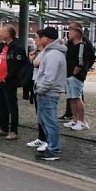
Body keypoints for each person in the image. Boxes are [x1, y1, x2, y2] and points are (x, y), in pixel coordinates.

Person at [32, 27, 68, 161]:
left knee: (50, 121)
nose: (39, 39)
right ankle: (51, 147)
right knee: (46, 120)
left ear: (46, 38)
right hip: (47, 92)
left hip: (48, 93)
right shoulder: (52, 52)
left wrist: (40, 89)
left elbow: (49, 77)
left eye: (41, 37)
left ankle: (53, 150)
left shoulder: (53, 54)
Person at [0, 25, 27, 140]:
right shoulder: (5, 46)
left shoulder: (17, 47)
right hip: (0, 80)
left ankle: (14, 130)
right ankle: (3, 127)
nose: (1, 33)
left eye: (3, 31)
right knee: (2, 105)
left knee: (11, 106)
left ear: (9, 34)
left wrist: (8, 77)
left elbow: (17, 65)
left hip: (9, 81)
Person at [65, 24, 95, 131]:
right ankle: (75, 119)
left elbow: (80, 62)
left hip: (76, 76)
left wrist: (74, 73)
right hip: (69, 75)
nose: (69, 35)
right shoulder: (72, 46)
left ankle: (82, 121)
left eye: (71, 33)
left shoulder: (81, 46)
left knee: (77, 98)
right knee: (72, 98)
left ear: (77, 34)